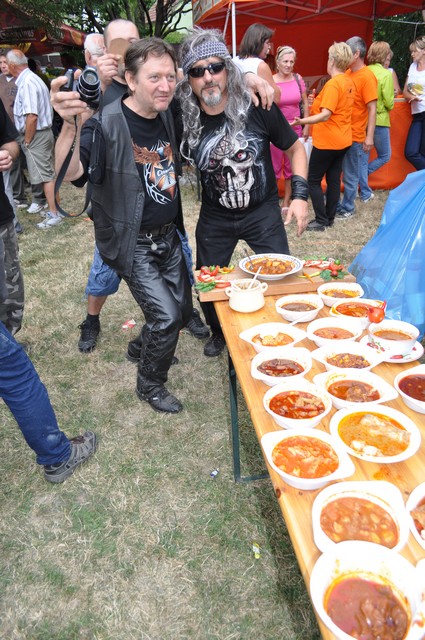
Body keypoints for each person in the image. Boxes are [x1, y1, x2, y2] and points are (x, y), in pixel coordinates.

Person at [52, 38, 193, 414]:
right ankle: (150, 384)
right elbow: (73, 174)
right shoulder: (105, 123)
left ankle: (141, 347)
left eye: (170, 76)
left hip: (169, 235)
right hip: (133, 242)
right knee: (166, 317)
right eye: (154, 77)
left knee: (181, 312)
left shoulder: (165, 112)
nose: (165, 85)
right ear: (130, 79)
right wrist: (69, 126)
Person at [74, 19, 208, 356]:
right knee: (104, 277)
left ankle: (168, 324)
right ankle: (92, 320)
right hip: (120, 222)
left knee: (174, 305)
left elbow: (200, 84)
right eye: (120, 43)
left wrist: (248, 76)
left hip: (163, 222)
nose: (128, 48)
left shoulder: (160, 94)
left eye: (134, 40)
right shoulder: (100, 90)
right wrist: (97, 88)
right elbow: (78, 169)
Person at [176, 28, 309, 357]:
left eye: (215, 67)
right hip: (215, 217)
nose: (208, 77)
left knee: (282, 278)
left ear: (228, 69)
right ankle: (219, 332)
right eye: (197, 71)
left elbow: (296, 149)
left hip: (262, 213)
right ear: (188, 79)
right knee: (208, 280)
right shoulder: (181, 118)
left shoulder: (257, 105)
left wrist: (299, 196)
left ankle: (282, 327)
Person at [292, 42, 355, 231]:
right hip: (343, 139)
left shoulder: (334, 84)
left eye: (328, 57)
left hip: (328, 141)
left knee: (313, 180)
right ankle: (329, 217)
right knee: (334, 179)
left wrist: (303, 121)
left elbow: (326, 114)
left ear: (332, 60)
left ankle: (321, 220)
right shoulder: (348, 81)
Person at [6, 49, 61, 229]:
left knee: (46, 177)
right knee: (48, 174)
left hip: (36, 135)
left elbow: (32, 116)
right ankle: (55, 210)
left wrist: (28, 140)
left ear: (12, 65)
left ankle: (54, 214)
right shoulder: (32, 78)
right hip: (43, 133)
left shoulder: (27, 82)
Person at [336, 36, 377, 219]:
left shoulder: (367, 76)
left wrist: (369, 136)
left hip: (355, 135)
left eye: (347, 52)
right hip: (340, 132)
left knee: (350, 174)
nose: (343, 56)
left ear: (356, 54)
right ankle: (338, 205)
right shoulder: (346, 72)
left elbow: (372, 108)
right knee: (338, 171)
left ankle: (348, 208)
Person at [271, 45, 310, 211]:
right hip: (275, 130)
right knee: (273, 167)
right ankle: (272, 201)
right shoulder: (271, 80)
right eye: (285, 61)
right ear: (278, 62)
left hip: (295, 130)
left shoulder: (298, 79)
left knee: (290, 167)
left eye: (291, 62)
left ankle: (286, 202)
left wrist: (306, 125)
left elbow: (305, 103)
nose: (288, 65)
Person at [0, 99, 24, 335]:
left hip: (2, 216)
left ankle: (9, 341)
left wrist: (7, 154)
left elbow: (11, 141)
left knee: (11, 287)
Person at [359, 41, 394, 202]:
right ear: (384, 55)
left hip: (362, 119)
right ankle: (361, 179)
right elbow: (389, 103)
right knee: (385, 155)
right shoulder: (386, 74)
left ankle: (362, 185)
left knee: (363, 157)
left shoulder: (363, 71)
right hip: (379, 119)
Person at [233, 23, 280, 103]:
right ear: (258, 43)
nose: (269, 47)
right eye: (267, 43)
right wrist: (278, 90)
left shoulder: (234, 61)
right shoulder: (260, 65)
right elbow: (275, 99)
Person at [403, 35, 425, 171]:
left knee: (422, 152)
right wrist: (411, 97)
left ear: (424, 51)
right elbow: (405, 91)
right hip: (417, 114)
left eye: (415, 51)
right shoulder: (412, 66)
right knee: (410, 152)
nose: (412, 54)